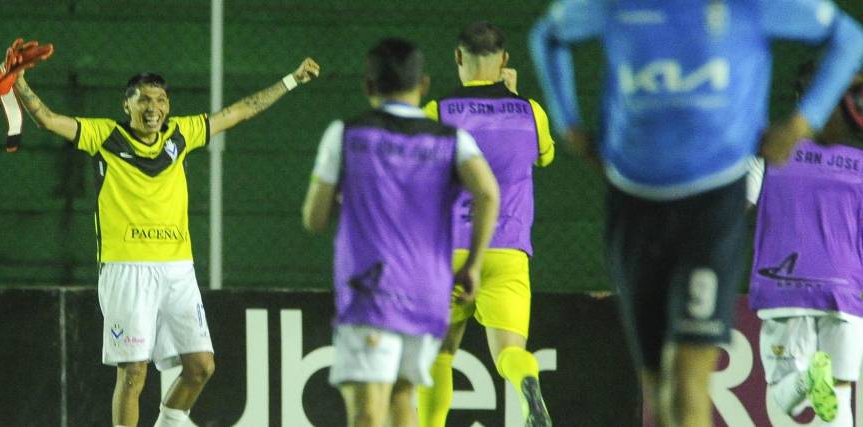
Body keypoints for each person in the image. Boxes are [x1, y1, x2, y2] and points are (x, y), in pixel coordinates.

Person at [529, 1, 863, 425]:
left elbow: (848, 36)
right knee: (658, 387)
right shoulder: (615, 7)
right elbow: (548, 35)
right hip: (634, 207)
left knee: (688, 379)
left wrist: (800, 124)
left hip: (710, 208)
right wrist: (569, 126)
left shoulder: (751, 7)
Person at [11, 48, 320, 427]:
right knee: (134, 373)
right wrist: (19, 81)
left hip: (177, 269)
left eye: (160, 99)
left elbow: (241, 111)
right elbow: (47, 120)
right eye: (143, 99)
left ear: (168, 106)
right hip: (126, 269)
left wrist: (292, 80)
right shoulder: (103, 136)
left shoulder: (181, 134)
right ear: (127, 105)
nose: (152, 106)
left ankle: (171, 417)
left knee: (201, 367)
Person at [302, 37, 500, 427]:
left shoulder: (345, 134)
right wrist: (473, 265)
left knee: (367, 411)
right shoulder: (453, 140)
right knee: (403, 400)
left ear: (368, 86)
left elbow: (314, 218)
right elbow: (489, 194)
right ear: (423, 85)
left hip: (372, 291)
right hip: (428, 295)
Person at [416, 21, 554, 427]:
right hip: (508, 250)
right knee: (509, 351)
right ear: (504, 60)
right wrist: (512, 98)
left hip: (450, 251)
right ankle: (527, 381)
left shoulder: (437, 113)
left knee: (439, 354)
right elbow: (544, 157)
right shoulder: (531, 113)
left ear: (458, 57)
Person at [746, 64, 863, 426]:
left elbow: (740, 205)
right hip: (846, 291)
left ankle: (808, 379)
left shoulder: (767, 151)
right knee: (840, 401)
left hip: (785, 286)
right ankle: (817, 379)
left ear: (799, 99)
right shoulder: (860, 162)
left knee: (784, 399)